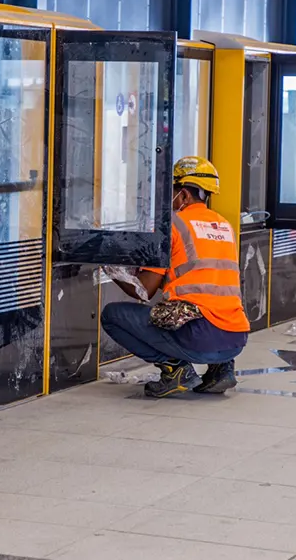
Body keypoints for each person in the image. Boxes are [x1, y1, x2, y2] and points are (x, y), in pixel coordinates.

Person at [100, 156, 250, 398]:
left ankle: (175, 370)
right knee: (209, 306)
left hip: (202, 338)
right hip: (235, 337)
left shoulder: (172, 226)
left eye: (171, 191)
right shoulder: (224, 226)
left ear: (183, 195)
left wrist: (110, 267)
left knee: (112, 315)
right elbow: (202, 281)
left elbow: (143, 290)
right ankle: (221, 370)